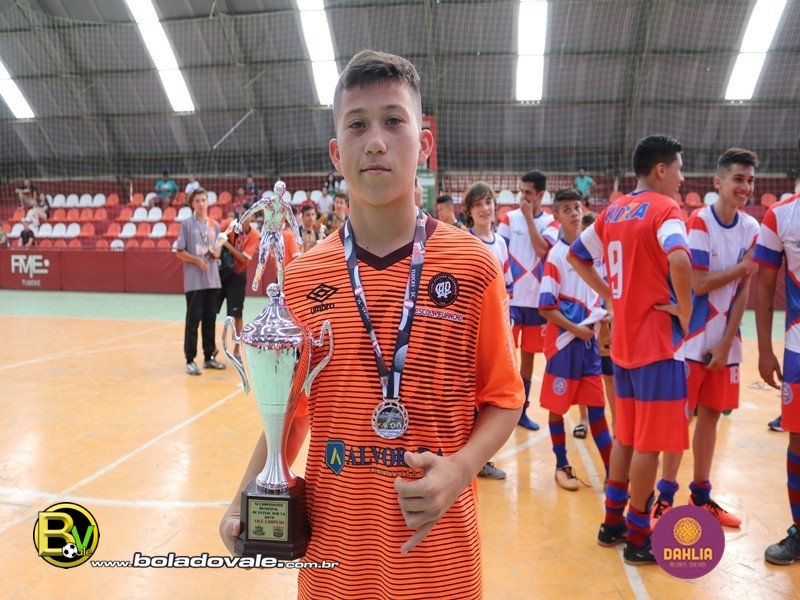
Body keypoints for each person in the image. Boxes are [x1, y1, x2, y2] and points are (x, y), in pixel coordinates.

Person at [219, 49, 523, 600]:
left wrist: (460, 470)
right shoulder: (302, 276)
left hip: (438, 562)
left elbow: (504, 399)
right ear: (337, 153)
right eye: (357, 125)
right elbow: (289, 413)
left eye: (393, 121)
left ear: (424, 144)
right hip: (334, 562)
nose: (376, 141)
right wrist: (245, 493)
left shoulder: (473, 265)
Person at [569, 134, 692, 566]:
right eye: (678, 169)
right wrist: (686, 310)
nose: (681, 178)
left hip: (622, 344)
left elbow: (577, 255)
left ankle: (612, 523)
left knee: (626, 435)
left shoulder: (613, 211)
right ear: (661, 169)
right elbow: (680, 259)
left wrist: (611, 297)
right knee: (649, 445)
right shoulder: (666, 210)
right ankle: (640, 537)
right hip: (657, 343)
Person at [651, 148, 760, 529]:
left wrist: (727, 341)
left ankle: (700, 497)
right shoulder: (699, 221)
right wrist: (741, 268)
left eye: (750, 180)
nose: (745, 187)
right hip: (692, 339)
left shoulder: (752, 227)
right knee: (679, 419)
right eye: (738, 179)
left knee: (711, 417)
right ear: (718, 182)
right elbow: (698, 283)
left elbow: (744, 292)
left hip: (726, 341)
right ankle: (664, 499)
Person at [538, 189, 612, 490]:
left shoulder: (596, 254)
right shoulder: (556, 256)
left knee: (597, 409)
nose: (574, 213)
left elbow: (604, 295)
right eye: (566, 209)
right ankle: (561, 464)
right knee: (557, 409)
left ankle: (613, 471)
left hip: (589, 345)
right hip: (564, 344)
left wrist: (606, 314)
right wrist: (576, 329)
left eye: (577, 207)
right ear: (556, 216)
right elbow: (546, 307)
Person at [755, 173, 800, 565]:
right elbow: (766, 286)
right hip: (798, 349)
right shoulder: (780, 216)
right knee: (798, 441)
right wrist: (765, 349)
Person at [498, 170, 560, 431]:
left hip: (536, 302)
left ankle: (522, 411)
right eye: (521, 192)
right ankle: (501, 411)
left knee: (528, 357)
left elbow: (542, 250)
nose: (523, 197)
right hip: (511, 301)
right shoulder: (508, 219)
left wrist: (528, 218)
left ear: (541, 195)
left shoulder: (551, 223)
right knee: (505, 357)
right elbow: (499, 253)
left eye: (528, 193)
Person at [463, 181, 513, 481]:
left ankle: (481, 458)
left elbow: (506, 288)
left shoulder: (501, 243)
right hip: (472, 330)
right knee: (471, 392)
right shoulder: (465, 243)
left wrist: (507, 321)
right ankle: (472, 458)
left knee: (493, 391)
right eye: (478, 204)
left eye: (488, 202)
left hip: (497, 327)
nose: (485, 208)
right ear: (469, 211)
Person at [174, 188, 227, 376]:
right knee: (193, 321)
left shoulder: (214, 225)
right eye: (197, 201)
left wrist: (217, 253)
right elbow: (179, 252)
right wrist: (197, 261)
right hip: (195, 282)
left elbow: (218, 250)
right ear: (192, 204)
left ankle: (209, 357)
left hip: (212, 280)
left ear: (208, 202)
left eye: (204, 200)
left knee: (210, 321)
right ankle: (190, 360)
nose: (201, 204)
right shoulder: (186, 224)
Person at [217, 202, 260, 360]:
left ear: (253, 217)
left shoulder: (254, 234)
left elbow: (243, 258)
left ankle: (237, 348)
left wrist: (226, 244)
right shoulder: (230, 224)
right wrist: (221, 240)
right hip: (222, 273)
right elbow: (216, 234)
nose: (244, 216)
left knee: (237, 314)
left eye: (248, 214)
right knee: (211, 309)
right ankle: (211, 349)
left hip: (237, 277)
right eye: (242, 212)